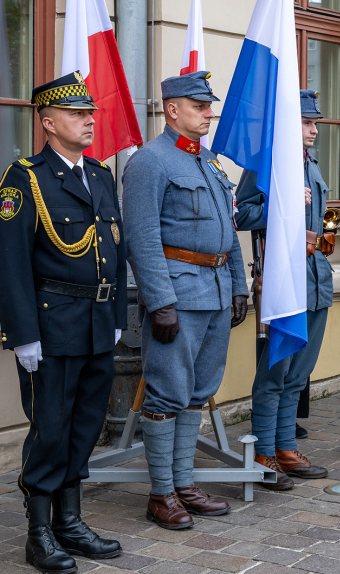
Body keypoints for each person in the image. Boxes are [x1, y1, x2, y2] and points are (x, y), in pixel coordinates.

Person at [0, 72, 124, 573]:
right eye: (76, 114)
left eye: (90, 113)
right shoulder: (25, 178)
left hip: (94, 325)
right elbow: (7, 261)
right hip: (51, 328)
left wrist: (113, 316)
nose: (89, 120)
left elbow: (116, 249)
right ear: (47, 123)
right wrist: (22, 335)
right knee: (50, 430)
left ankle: (71, 522)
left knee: (85, 426)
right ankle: (39, 533)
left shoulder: (101, 176)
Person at [123, 71, 249, 529]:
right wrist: (160, 301)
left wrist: (239, 285)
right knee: (167, 393)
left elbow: (229, 232)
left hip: (214, 293)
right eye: (199, 106)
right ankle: (161, 494)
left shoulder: (209, 161)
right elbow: (141, 237)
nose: (208, 114)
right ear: (172, 110)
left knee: (197, 393)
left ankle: (183, 483)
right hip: (179, 294)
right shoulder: (150, 162)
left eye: (208, 105)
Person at [235, 89, 331, 489]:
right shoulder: (266, 165)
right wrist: (282, 202)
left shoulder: (310, 165)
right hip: (281, 279)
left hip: (315, 276)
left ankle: (286, 447)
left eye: (314, 123)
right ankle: (263, 453)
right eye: (306, 123)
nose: (313, 130)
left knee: (299, 372)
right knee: (274, 372)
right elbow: (242, 214)